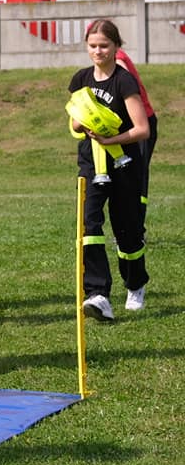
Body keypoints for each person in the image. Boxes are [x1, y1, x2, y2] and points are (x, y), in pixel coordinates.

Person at [69, 19, 150, 319]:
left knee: (127, 232)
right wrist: (85, 119)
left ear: (117, 47)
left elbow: (141, 129)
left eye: (104, 45)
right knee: (89, 228)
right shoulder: (80, 79)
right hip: (90, 166)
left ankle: (135, 283)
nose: (98, 51)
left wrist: (110, 137)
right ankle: (98, 293)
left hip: (124, 165)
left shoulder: (124, 80)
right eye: (93, 46)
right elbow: (75, 123)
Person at [115, 49, 158, 222]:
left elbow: (124, 81)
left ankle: (136, 228)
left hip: (139, 123)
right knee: (129, 176)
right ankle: (132, 227)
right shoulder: (115, 57)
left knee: (135, 177)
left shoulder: (118, 60)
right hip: (132, 125)